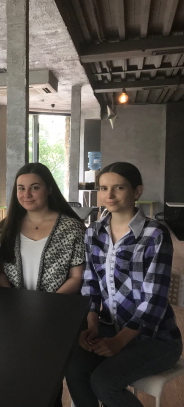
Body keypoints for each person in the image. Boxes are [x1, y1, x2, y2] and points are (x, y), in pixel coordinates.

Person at [66, 162, 182, 407]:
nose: (109, 195)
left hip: (156, 339)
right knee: (74, 369)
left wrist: (119, 341)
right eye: (103, 188)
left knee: (104, 382)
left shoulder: (155, 234)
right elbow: (90, 282)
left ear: (137, 191)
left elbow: (155, 300)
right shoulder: (94, 232)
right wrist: (92, 324)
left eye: (118, 187)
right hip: (109, 328)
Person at [0, 163, 85, 293]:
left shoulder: (72, 228)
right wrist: (11, 299)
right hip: (13, 303)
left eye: (35, 188)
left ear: (49, 189)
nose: (27, 194)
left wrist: (49, 303)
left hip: (58, 303)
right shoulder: (6, 227)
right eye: (21, 188)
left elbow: (76, 277)